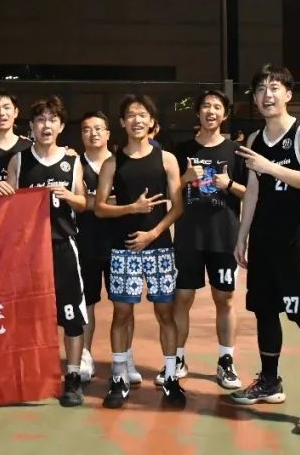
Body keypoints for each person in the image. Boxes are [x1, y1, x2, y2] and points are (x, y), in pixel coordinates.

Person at [225, 64, 300, 435]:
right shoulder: (255, 139)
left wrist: (270, 167)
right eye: (260, 89)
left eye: (274, 87)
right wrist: (242, 236)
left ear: (288, 94)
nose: (267, 95)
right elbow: (254, 191)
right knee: (265, 312)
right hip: (264, 243)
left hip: (297, 245)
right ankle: (270, 382)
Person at [95, 95, 185, 409]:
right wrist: (131, 208)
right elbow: (100, 208)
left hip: (159, 248)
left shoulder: (167, 160)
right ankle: (119, 378)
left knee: (165, 313)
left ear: (151, 121)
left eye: (142, 114)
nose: (137, 120)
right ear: (122, 122)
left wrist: (153, 234)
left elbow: (177, 207)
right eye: (131, 115)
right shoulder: (112, 163)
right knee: (121, 313)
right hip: (123, 250)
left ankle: (171, 378)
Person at [0, 96, 88, 407]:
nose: (46, 126)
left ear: (61, 127)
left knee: (72, 315)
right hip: (29, 251)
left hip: (63, 246)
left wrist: (69, 197)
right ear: (32, 127)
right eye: (40, 120)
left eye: (52, 120)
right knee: (28, 315)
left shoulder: (72, 162)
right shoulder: (19, 161)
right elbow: (7, 204)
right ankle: (30, 375)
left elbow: (83, 203)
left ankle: (72, 376)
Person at [170, 89, 246, 391]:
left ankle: (226, 361)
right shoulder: (181, 150)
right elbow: (169, 192)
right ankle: (177, 359)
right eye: (205, 106)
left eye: (217, 107)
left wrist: (230, 184)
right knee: (182, 298)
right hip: (188, 237)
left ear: (224, 115)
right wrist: (185, 179)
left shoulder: (236, 151)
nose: (211, 111)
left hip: (223, 237)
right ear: (197, 113)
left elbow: (251, 192)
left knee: (224, 299)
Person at [75, 112, 142, 386]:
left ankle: (126, 357)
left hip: (121, 243)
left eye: (98, 128)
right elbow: (79, 202)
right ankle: (85, 357)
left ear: (108, 133)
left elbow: (130, 201)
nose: (93, 134)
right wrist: (107, 202)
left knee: (125, 305)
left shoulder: (121, 163)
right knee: (86, 303)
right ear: (81, 134)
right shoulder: (75, 165)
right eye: (87, 129)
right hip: (86, 243)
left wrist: (93, 202)